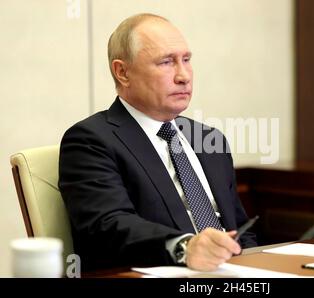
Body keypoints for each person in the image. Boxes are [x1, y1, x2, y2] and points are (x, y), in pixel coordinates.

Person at [58, 13, 257, 272]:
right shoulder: (90, 140)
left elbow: (241, 232)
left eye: (186, 60)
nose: (183, 76)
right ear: (122, 72)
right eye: (166, 62)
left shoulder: (209, 139)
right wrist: (185, 247)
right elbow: (109, 226)